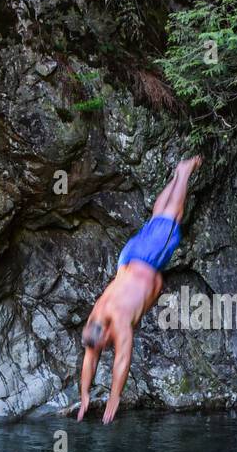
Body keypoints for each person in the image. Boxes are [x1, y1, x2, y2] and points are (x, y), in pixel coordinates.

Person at [77, 156, 202, 424]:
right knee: (158, 217)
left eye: (104, 345)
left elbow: (123, 358)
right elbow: (89, 358)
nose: (104, 348)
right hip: (129, 258)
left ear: (107, 332)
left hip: (147, 259)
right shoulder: (94, 323)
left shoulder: (118, 319)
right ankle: (177, 175)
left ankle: (183, 173)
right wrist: (84, 393)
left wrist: (115, 396)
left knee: (172, 218)